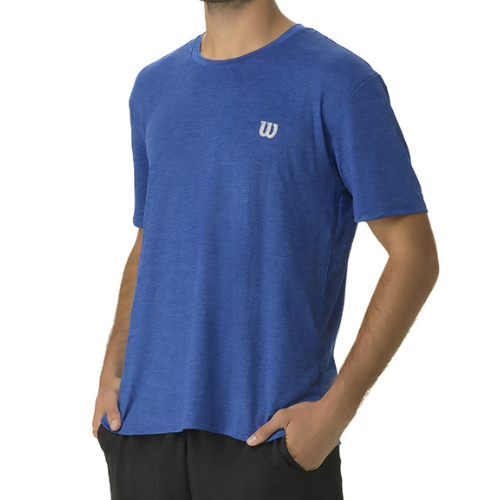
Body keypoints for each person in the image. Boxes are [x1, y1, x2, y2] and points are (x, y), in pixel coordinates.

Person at [92, 0, 439, 499]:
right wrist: (112, 372)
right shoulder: (153, 87)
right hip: (142, 431)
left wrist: (335, 412)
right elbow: (152, 237)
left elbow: (415, 256)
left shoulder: (340, 81)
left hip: (269, 437)